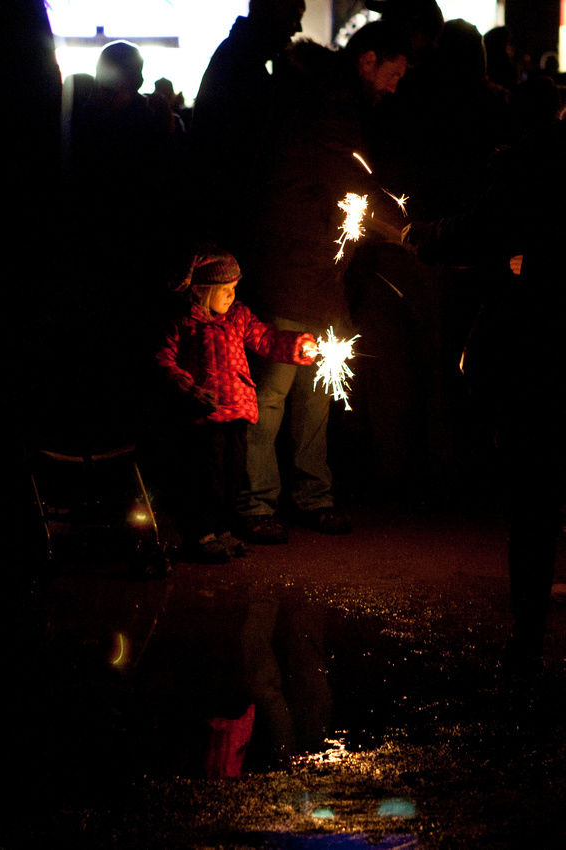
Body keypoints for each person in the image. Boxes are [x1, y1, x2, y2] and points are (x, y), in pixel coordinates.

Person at [231, 20, 411, 543]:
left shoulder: (331, 102)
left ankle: (310, 494)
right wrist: (409, 234)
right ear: (367, 61)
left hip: (319, 268)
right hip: (293, 266)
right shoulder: (326, 108)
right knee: (275, 388)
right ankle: (255, 501)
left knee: (317, 387)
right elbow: (349, 187)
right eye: (393, 74)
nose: (395, 86)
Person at [402, 115, 566, 674]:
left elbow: (482, 229)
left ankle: (525, 640)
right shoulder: (536, 156)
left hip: (544, 347)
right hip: (544, 344)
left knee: (537, 499)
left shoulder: (538, 157)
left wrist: (425, 237)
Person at [155, 246, 317, 564]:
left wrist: (298, 345)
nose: (232, 295)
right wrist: (188, 389)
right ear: (201, 290)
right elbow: (163, 360)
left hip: (238, 413)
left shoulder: (239, 316)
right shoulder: (184, 324)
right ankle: (200, 535)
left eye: (234, 289)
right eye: (225, 290)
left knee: (232, 478)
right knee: (206, 479)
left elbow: (266, 338)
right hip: (204, 419)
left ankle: (224, 530)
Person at [189, 0, 306, 249]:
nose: (298, 29)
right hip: (231, 212)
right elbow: (248, 146)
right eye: (294, 19)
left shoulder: (242, 56)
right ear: (273, 16)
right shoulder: (244, 64)